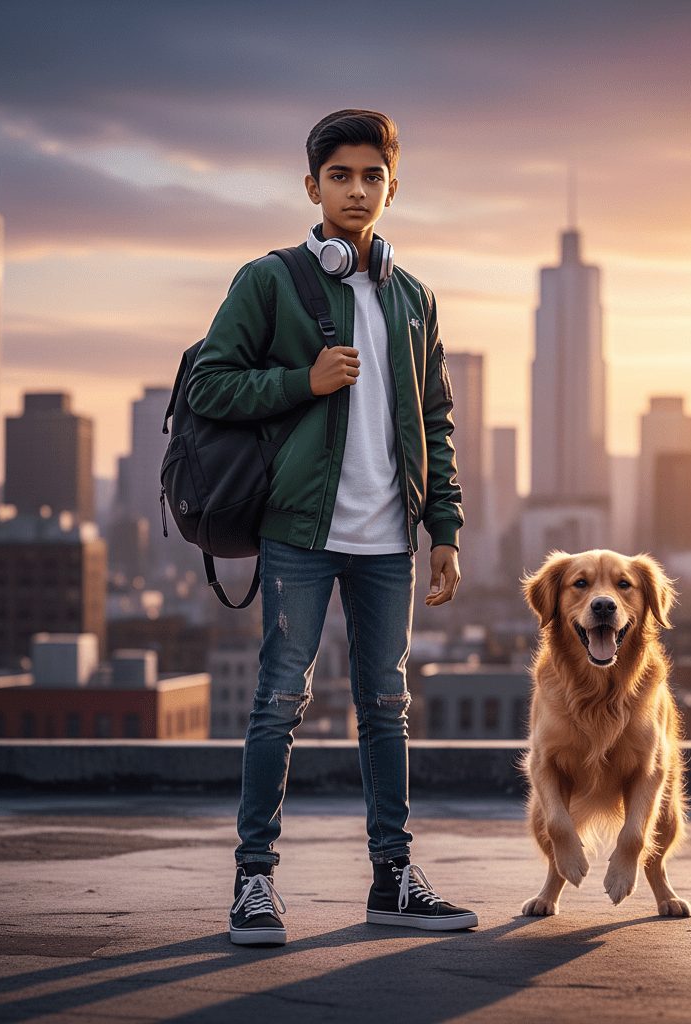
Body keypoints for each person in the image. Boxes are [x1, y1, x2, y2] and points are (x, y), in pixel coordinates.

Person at [187, 109, 478, 946]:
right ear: (312, 186)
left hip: (389, 539)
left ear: (393, 186)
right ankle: (253, 880)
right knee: (279, 701)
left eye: (372, 176)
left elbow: (435, 419)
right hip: (300, 533)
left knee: (387, 705)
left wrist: (445, 527)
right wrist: (302, 382)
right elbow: (208, 385)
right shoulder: (269, 281)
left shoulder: (413, 297)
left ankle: (394, 877)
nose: (357, 190)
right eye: (340, 176)